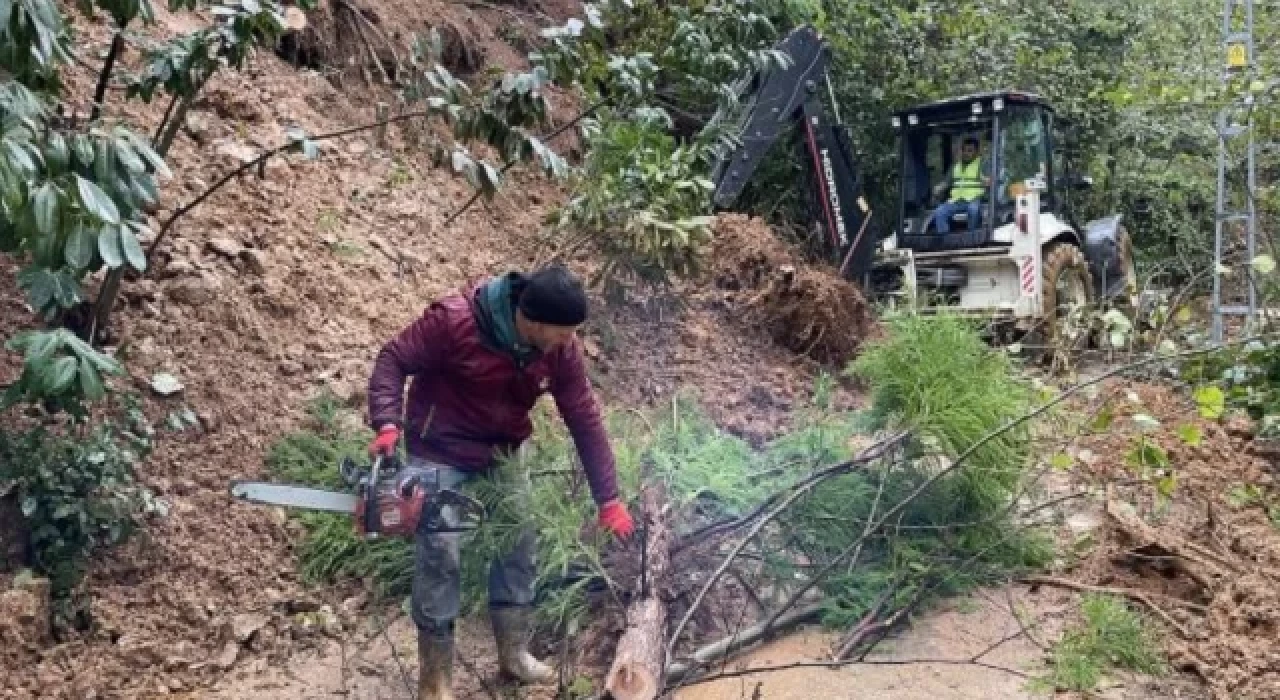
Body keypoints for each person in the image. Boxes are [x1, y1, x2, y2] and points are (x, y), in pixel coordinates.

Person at [366, 264, 634, 700]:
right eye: (563, 332)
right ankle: (434, 682)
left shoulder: (559, 351)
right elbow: (393, 358)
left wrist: (609, 499)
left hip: (502, 450)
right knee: (442, 555)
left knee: (519, 543)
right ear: (531, 320)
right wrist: (387, 424)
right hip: (439, 449)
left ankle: (514, 655)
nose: (570, 342)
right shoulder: (454, 323)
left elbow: (584, 418)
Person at [931, 136, 992, 234]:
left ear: (976, 152)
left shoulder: (982, 165)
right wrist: (938, 188)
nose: (966, 153)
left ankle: (971, 237)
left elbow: (990, 181)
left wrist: (987, 182)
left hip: (974, 200)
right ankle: (945, 240)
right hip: (956, 200)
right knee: (939, 211)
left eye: (970, 150)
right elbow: (946, 182)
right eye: (964, 150)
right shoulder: (955, 166)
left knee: (974, 210)